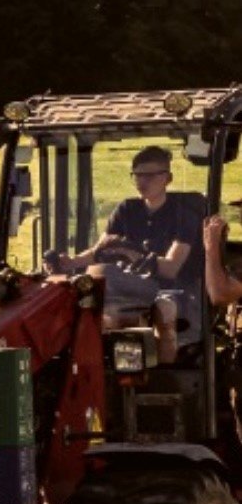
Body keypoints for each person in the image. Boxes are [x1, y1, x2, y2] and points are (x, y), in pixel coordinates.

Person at [51, 145, 201, 362]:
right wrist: (70, 262)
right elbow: (100, 250)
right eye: (138, 175)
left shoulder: (184, 214)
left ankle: (165, 374)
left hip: (174, 289)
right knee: (82, 302)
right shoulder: (127, 209)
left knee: (164, 311)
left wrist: (133, 253)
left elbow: (171, 268)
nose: (142, 182)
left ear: (168, 178)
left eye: (149, 175)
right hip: (128, 286)